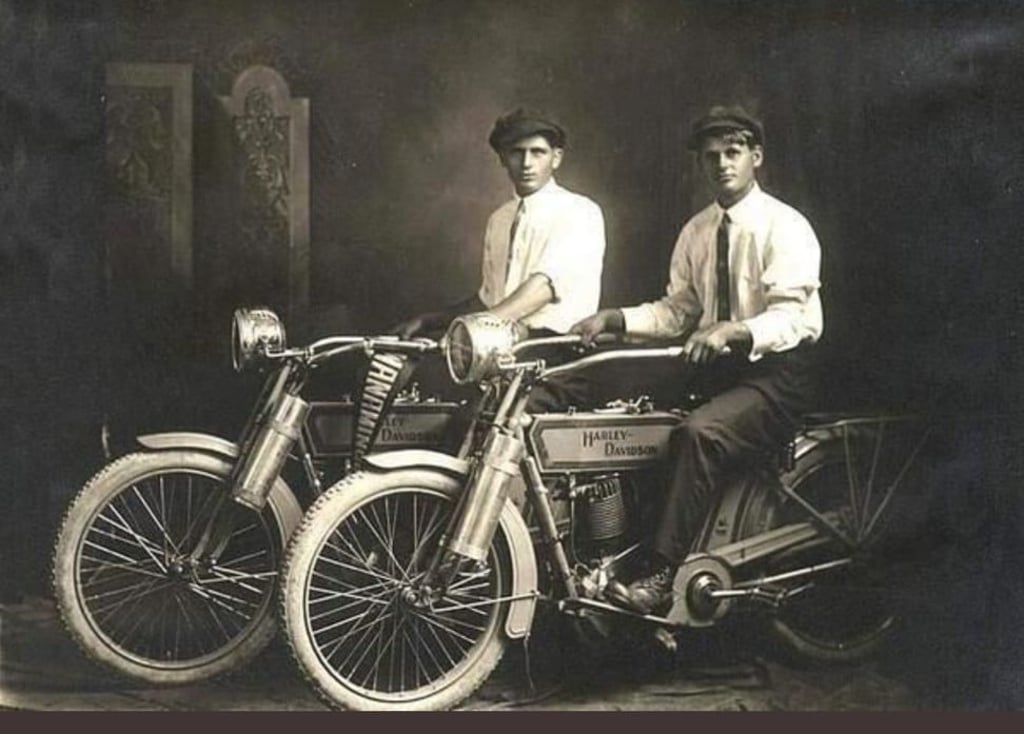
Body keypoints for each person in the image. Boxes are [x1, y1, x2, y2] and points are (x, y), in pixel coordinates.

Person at [571, 105, 823, 614]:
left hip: (778, 374)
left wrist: (735, 330)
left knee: (698, 434)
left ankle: (661, 578)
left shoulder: (785, 226)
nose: (722, 164)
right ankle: (609, 555)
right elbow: (678, 311)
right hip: (717, 370)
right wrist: (615, 319)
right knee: (618, 397)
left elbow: (795, 318)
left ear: (757, 157)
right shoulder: (697, 230)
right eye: (711, 157)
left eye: (733, 153)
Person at [394, 108, 606, 409]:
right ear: (502, 158)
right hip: (500, 360)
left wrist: (468, 330)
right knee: (437, 410)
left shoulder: (579, 212)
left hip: (555, 364)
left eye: (538, 152)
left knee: (482, 425)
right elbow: (490, 301)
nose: (527, 163)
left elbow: (543, 288)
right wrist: (429, 320)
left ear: (556, 157)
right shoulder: (500, 220)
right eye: (517, 152)